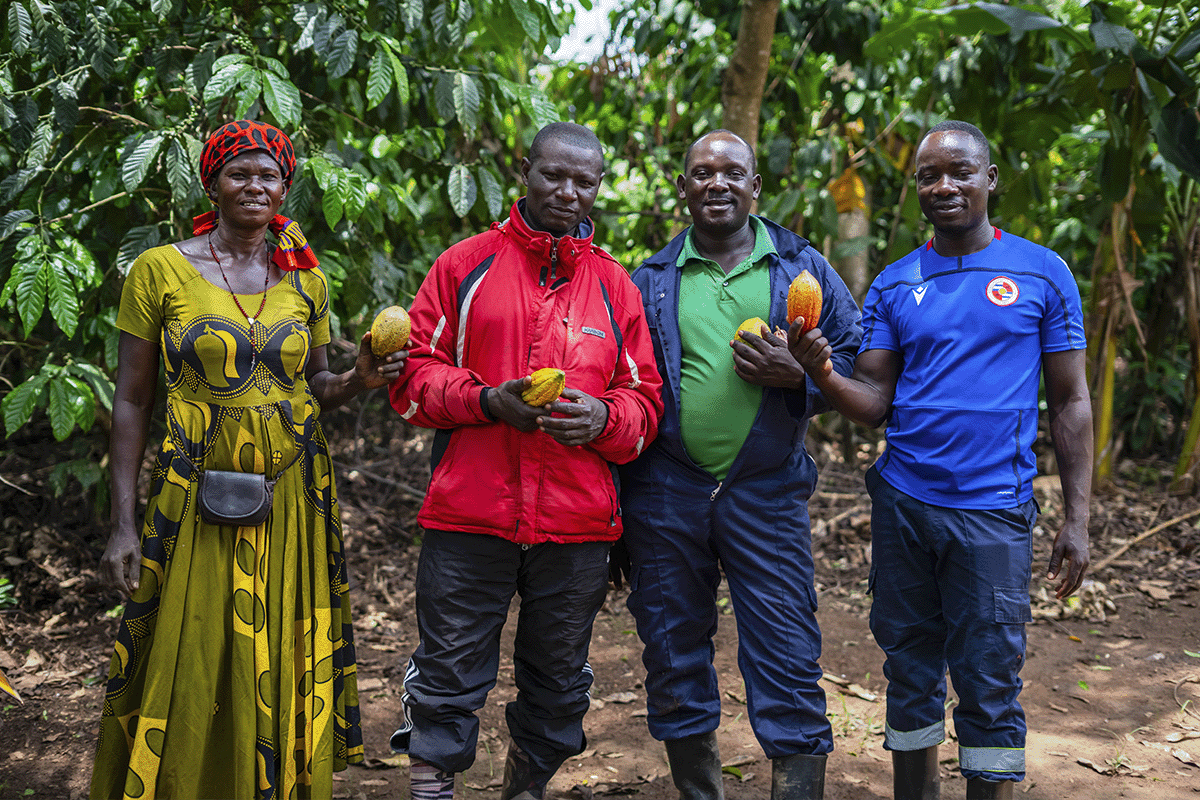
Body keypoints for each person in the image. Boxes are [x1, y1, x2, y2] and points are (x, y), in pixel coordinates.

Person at [91, 119, 407, 800]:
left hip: (293, 492)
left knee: (279, 642)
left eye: (269, 175)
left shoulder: (306, 279)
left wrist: (360, 380)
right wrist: (123, 523)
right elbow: (132, 400)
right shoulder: (160, 270)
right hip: (191, 489)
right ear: (212, 184)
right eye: (239, 173)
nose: (255, 185)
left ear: (285, 188)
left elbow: (317, 385)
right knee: (194, 641)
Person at [790, 120, 1093, 800]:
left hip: (993, 512)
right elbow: (874, 401)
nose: (944, 185)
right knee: (909, 668)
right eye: (929, 175)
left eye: (960, 171)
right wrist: (822, 371)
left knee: (989, 677)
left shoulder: (1043, 272)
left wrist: (1077, 519)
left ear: (990, 179)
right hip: (904, 506)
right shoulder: (896, 283)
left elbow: (1072, 401)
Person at [386, 121, 663, 800]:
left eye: (583, 181)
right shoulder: (465, 265)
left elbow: (645, 402)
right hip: (469, 515)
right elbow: (411, 378)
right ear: (525, 171)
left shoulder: (615, 286)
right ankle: (431, 789)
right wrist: (486, 401)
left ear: (599, 186)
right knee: (447, 672)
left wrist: (603, 419)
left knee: (558, 683)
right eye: (553, 175)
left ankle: (527, 787)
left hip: (575, 526)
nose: (567, 192)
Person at [619, 129, 863, 800]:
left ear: (755, 186)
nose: (717, 183)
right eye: (702, 172)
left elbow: (859, 360)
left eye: (732, 172)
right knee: (672, 650)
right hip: (666, 492)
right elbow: (623, 384)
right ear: (683, 188)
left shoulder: (800, 267)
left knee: (787, 649)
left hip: (767, 490)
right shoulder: (650, 279)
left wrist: (803, 375)